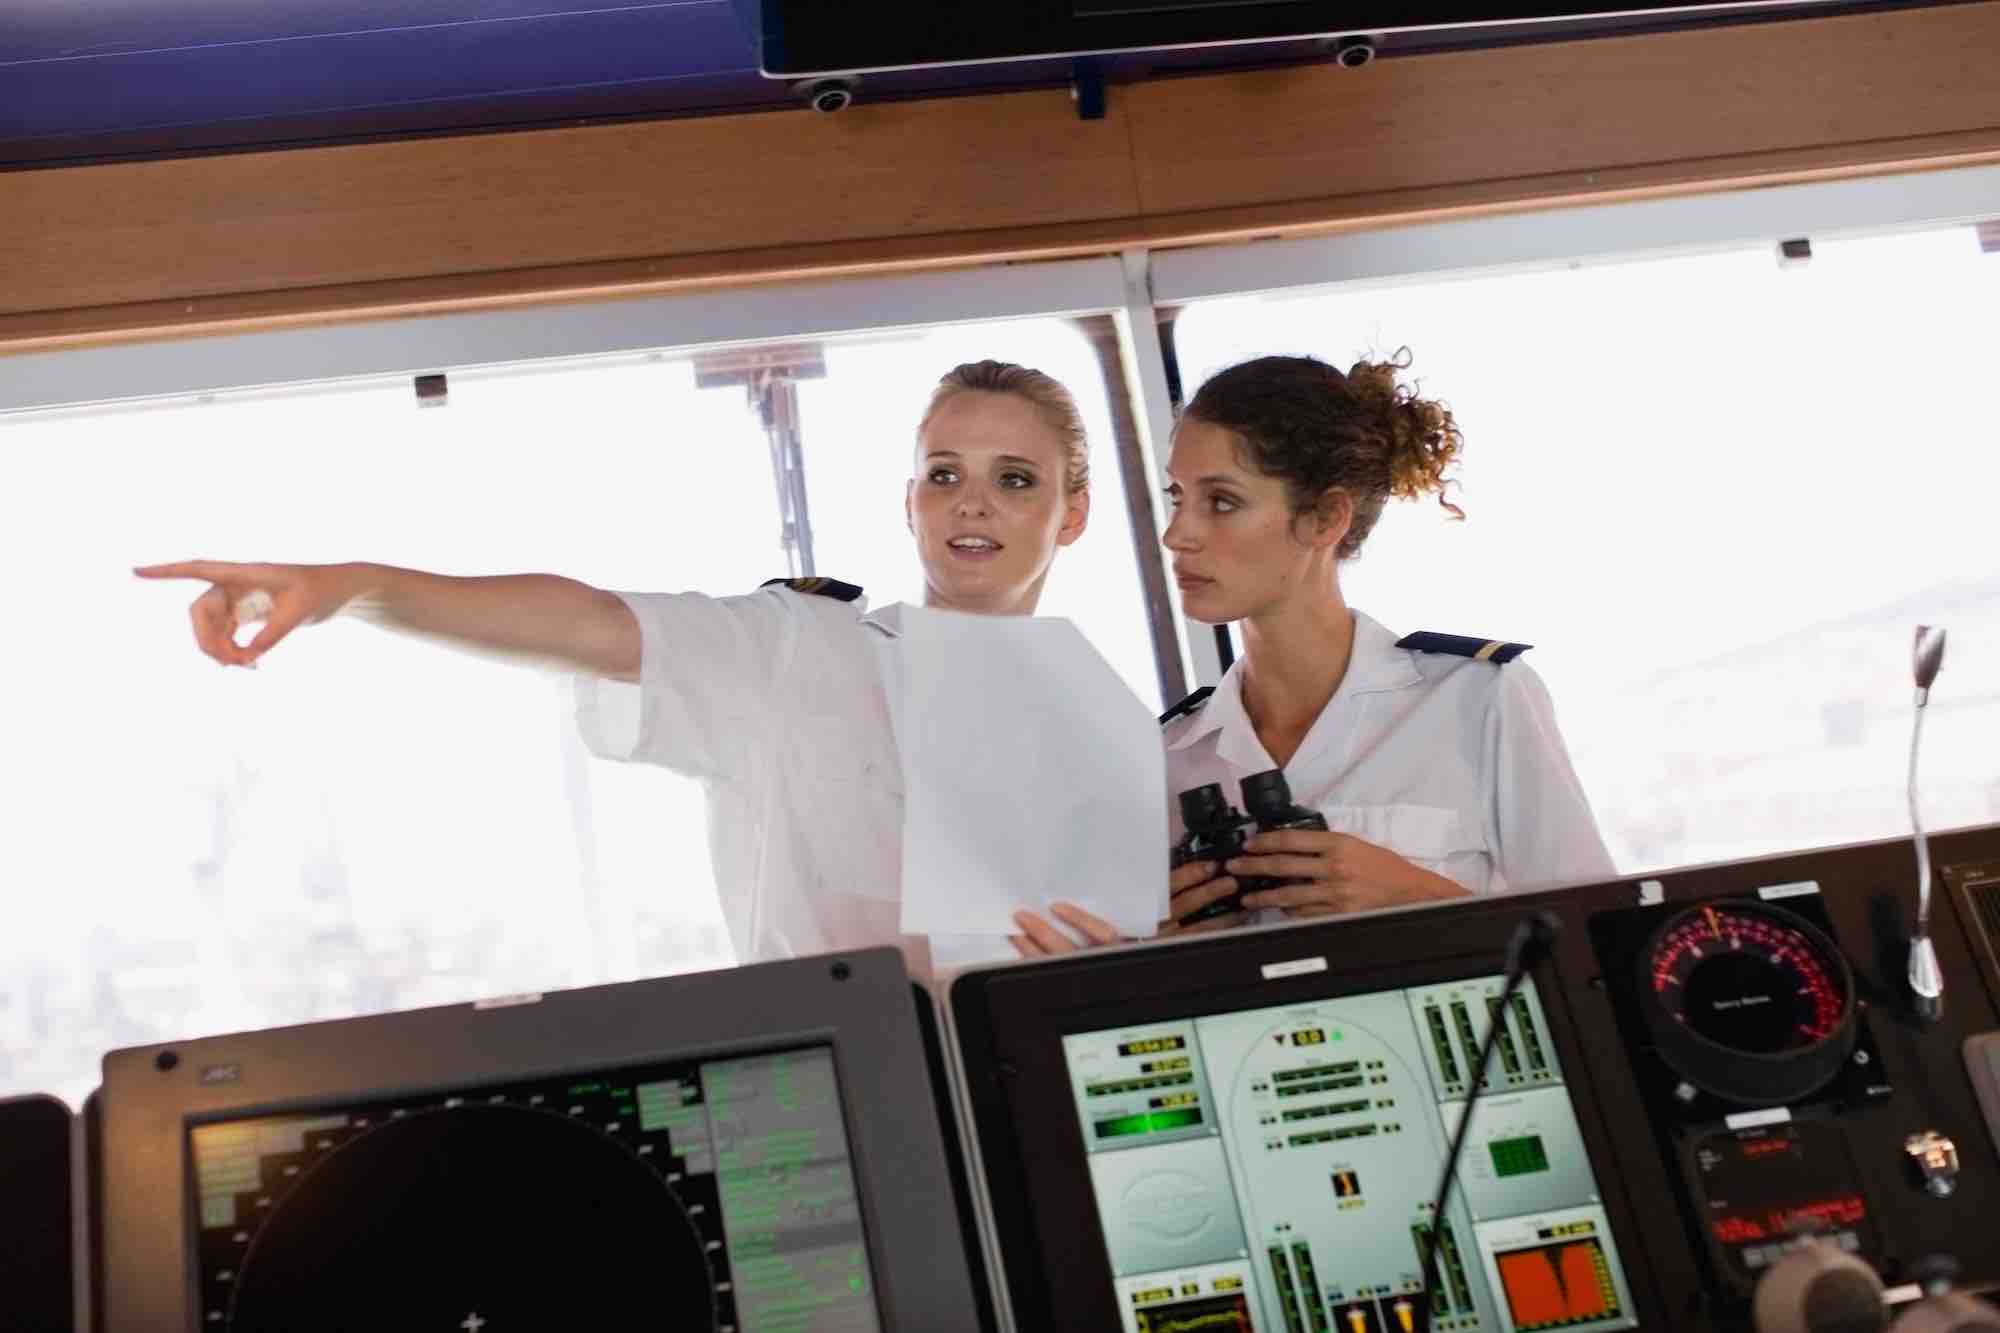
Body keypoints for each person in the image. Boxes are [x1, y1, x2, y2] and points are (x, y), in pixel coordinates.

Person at [137, 360, 1092, 981]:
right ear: (910, 502)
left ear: (1072, 513)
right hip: (859, 1101)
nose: (972, 505)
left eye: (1014, 480)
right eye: (943, 473)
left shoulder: (1108, 738)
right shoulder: (803, 650)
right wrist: (350, 587)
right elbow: (583, 620)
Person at [1010, 352, 1612, 956]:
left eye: (1221, 502)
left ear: (1326, 518)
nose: (1178, 534)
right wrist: (1147, 953)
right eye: (1178, 497)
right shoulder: (1165, 761)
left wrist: (1417, 899)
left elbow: (1598, 949)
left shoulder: (1479, 698)